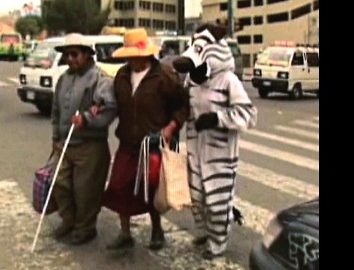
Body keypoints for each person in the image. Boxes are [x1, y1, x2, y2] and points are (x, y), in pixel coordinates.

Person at [172, 23, 258, 260]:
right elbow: (184, 107)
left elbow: (249, 114)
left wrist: (217, 119)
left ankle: (218, 243)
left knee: (217, 200)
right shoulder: (191, 80)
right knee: (198, 197)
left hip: (220, 154)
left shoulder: (228, 80)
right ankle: (204, 231)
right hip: (195, 149)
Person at [101, 28, 189, 251]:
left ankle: (157, 230)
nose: (133, 61)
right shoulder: (121, 75)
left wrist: (171, 127)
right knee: (119, 186)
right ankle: (125, 232)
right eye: (129, 56)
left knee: (151, 190)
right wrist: (96, 106)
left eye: (136, 56)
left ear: (147, 54)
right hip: (127, 142)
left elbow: (183, 105)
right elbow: (110, 102)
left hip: (153, 144)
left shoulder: (165, 76)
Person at [50, 33, 117, 245]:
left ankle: (85, 227)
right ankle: (68, 220)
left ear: (87, 54)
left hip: (90, 146)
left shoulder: (100, 79)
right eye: (67, 55)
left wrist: (87, 119)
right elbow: (56, 110)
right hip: (66, 144)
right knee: (59, 184)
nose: (70, 59)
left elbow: (109, 108)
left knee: (85, 191)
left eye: (75, 54)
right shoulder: (64, 78)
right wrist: (55, 137)